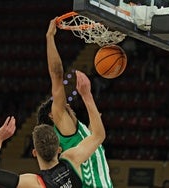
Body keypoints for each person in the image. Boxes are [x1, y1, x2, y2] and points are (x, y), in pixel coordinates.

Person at [0, 70, 106, 188]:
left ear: (35, 153)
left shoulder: (35, 183)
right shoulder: (71, 159)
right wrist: (87, 95)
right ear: (59, 149)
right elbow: (98, 136)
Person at [37, 18, 113, 187]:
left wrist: (93, 121)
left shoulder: (75, 133)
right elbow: (57, 75)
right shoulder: (61, 123)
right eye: (63, 106)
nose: (68, 105)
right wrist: (50, 37)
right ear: (53, 114)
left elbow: (95, 138)